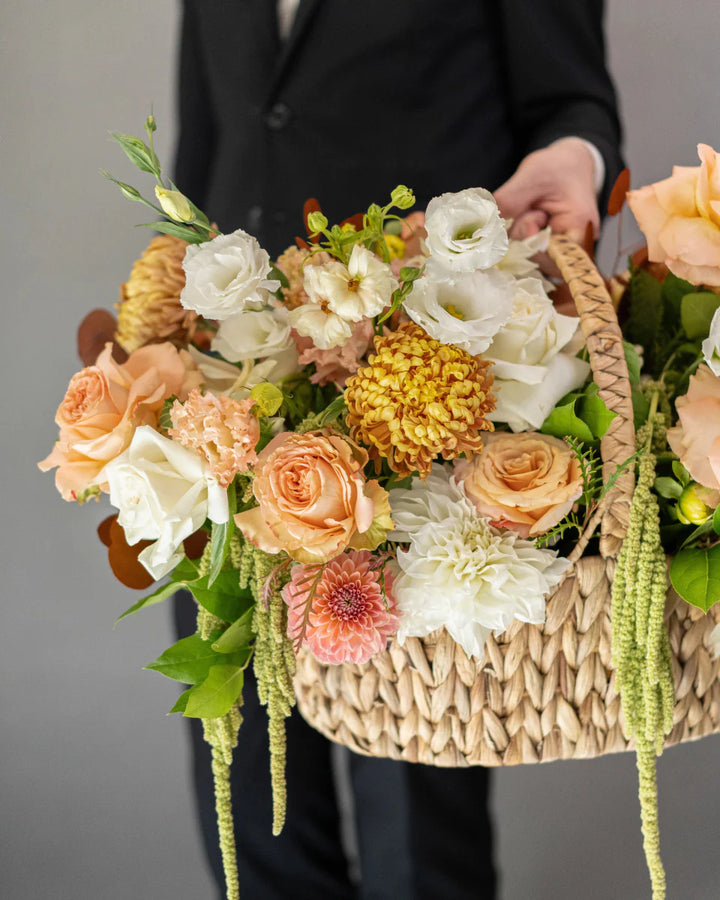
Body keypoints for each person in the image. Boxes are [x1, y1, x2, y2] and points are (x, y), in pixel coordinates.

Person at [173, 2, 624, 898]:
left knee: (415, 795)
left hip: (417, 405)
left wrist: (574, 158)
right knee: (247, 772)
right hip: (225, 403)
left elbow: (571, 102)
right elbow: (212, 129)